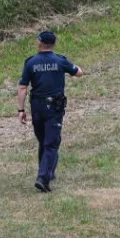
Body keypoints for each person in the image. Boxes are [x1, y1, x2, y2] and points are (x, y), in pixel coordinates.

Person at [17, 31, 84, 192]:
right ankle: (43, 178)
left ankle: (48, 171)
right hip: (54, 107)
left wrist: (21, 109)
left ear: (40, 43)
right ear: (53, 45)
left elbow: (22, 87)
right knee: (51, 143)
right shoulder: (60, 61)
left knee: (44, 141)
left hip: (37, 107)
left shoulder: (31, 62)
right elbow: (78, 73)